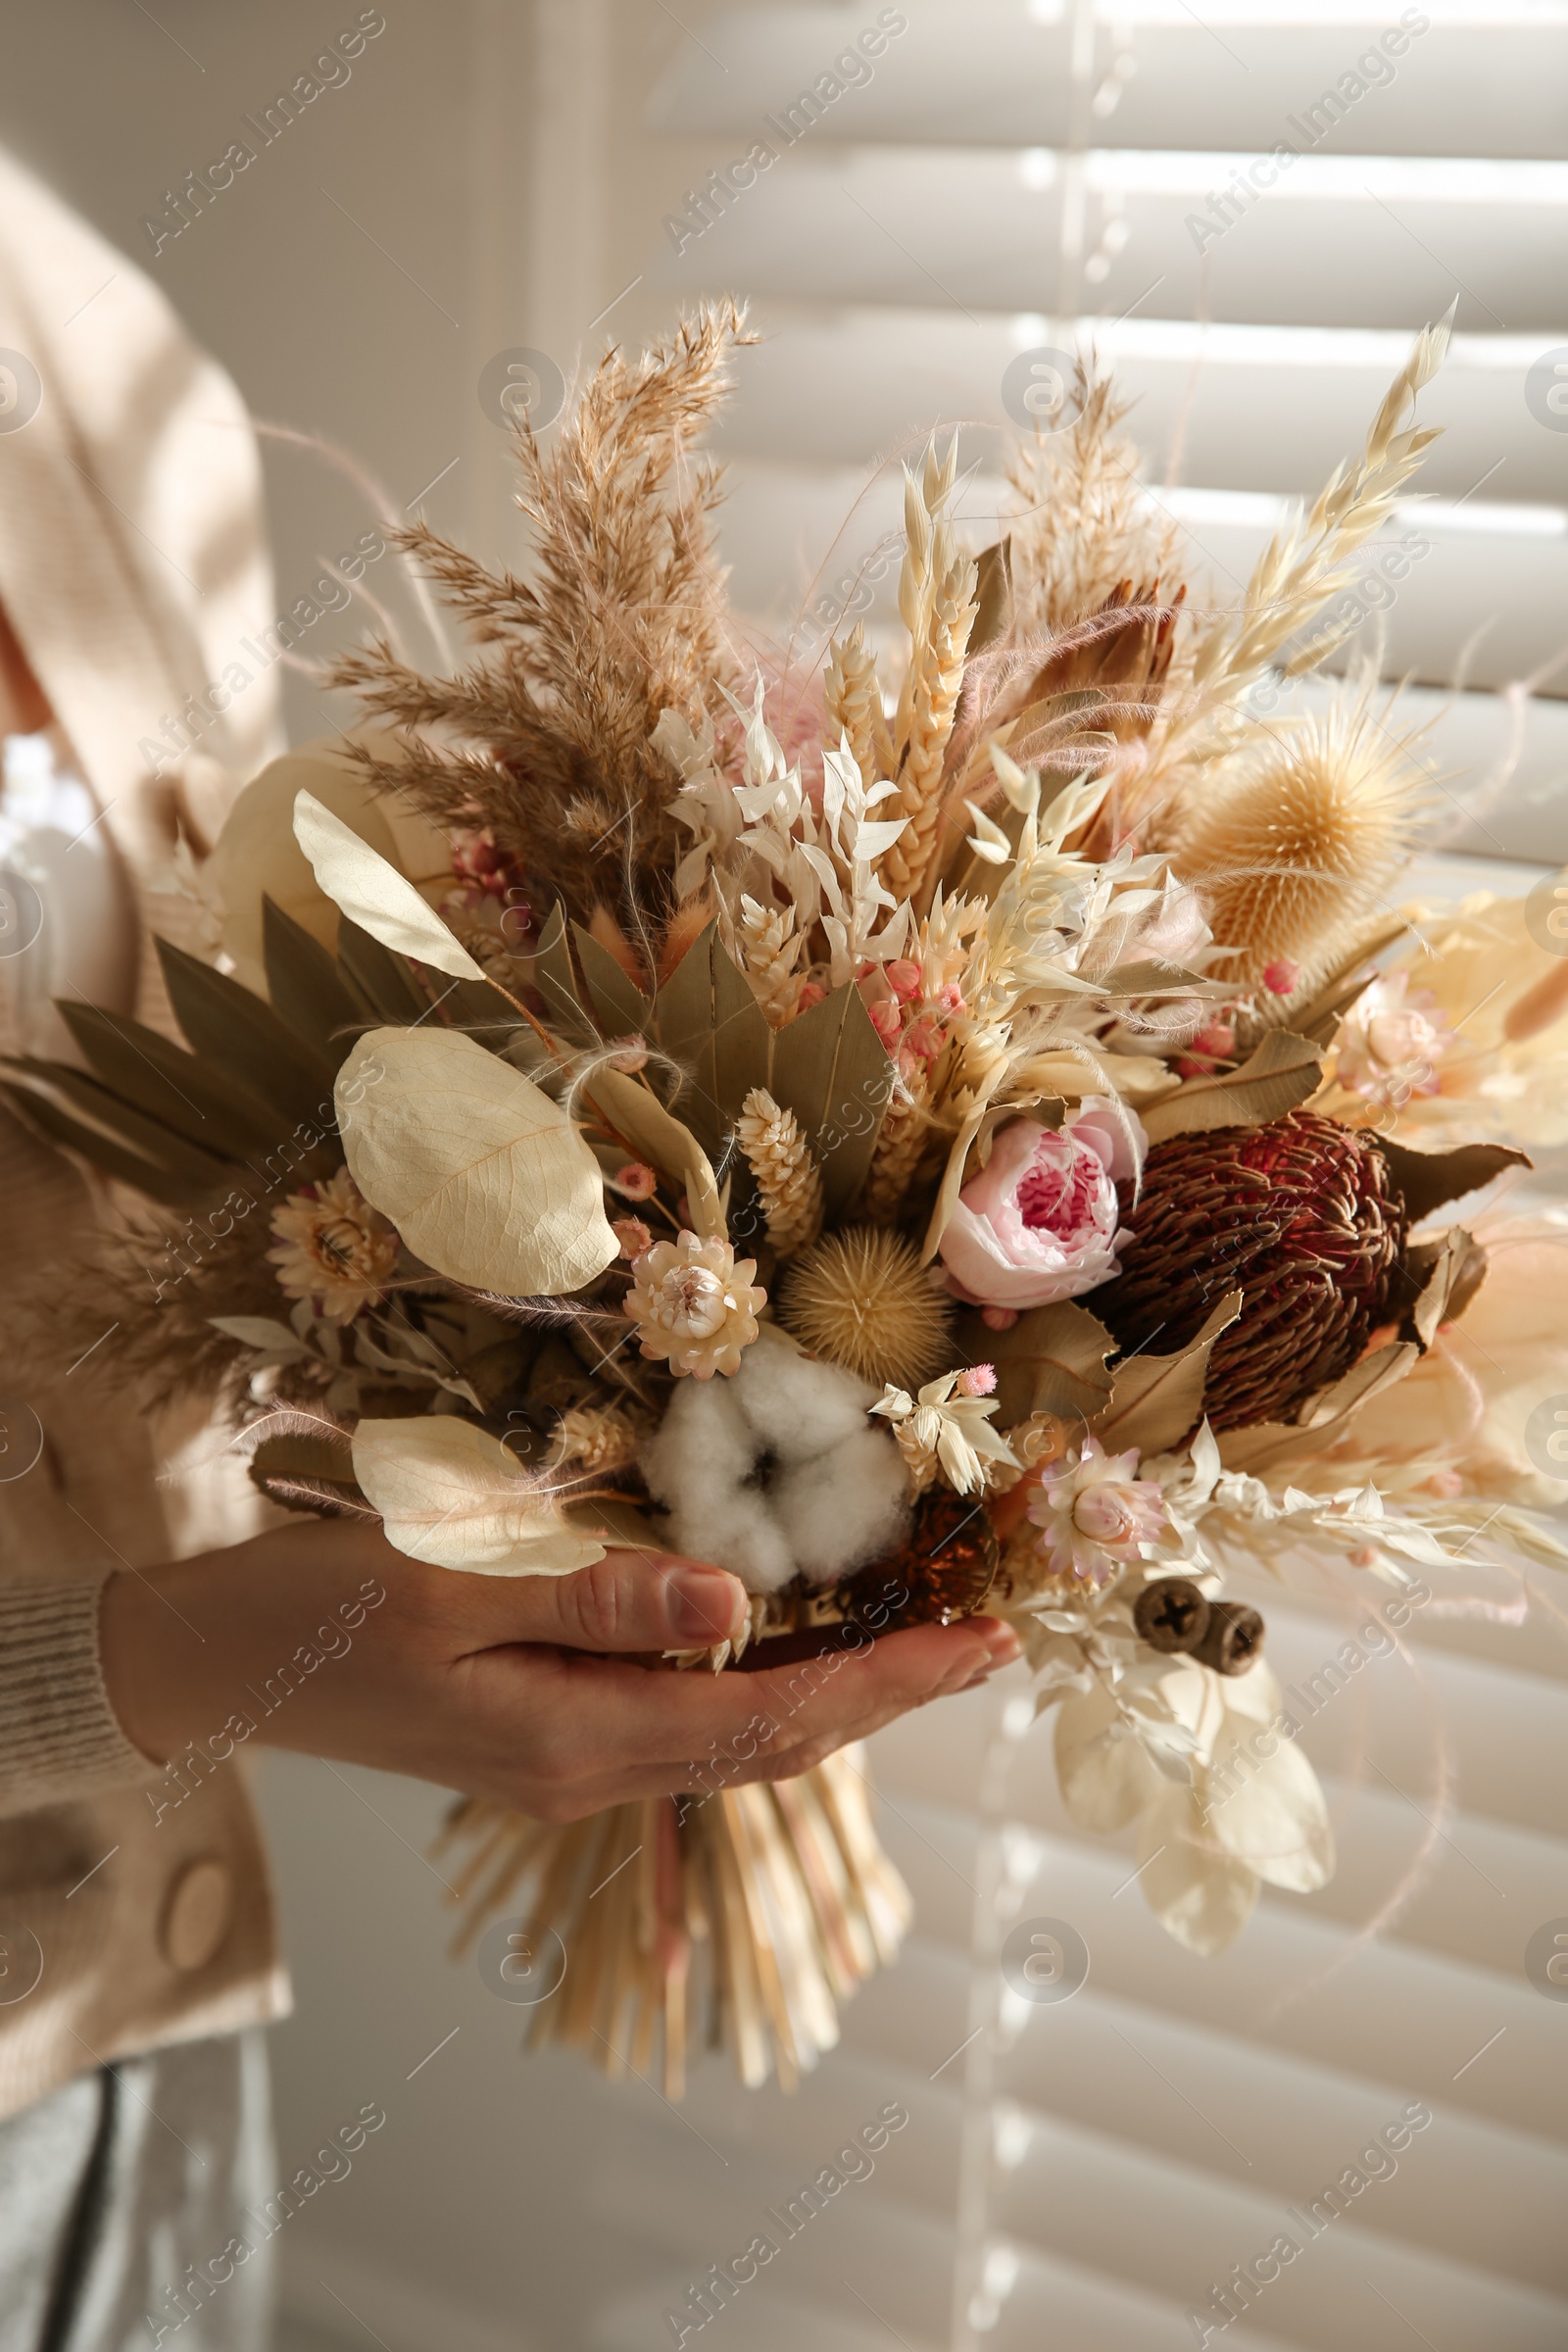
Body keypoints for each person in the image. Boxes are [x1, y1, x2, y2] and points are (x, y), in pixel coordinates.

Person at [0, 151, 1020, 2350]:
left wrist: (642, 1441)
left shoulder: (74, 341)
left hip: (135, 2040)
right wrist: (170, 1662)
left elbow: (213, 1188)